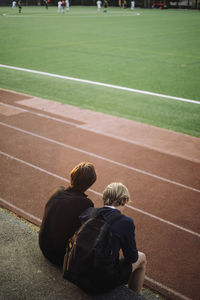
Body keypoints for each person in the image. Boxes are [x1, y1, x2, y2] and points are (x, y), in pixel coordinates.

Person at [68, 182, 147, 294]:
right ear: (124, 201)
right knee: (142, 258)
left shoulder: (90, 212)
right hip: (99, 284)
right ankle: (134, 296)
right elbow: (132, 257)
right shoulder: (125, 222)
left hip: (77, 273)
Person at [39, 162, 97, 266]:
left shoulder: (58, 191)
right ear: (90, 184)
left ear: (72, 176)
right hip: (61, 258)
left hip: (43, 246)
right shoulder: (86, 204)